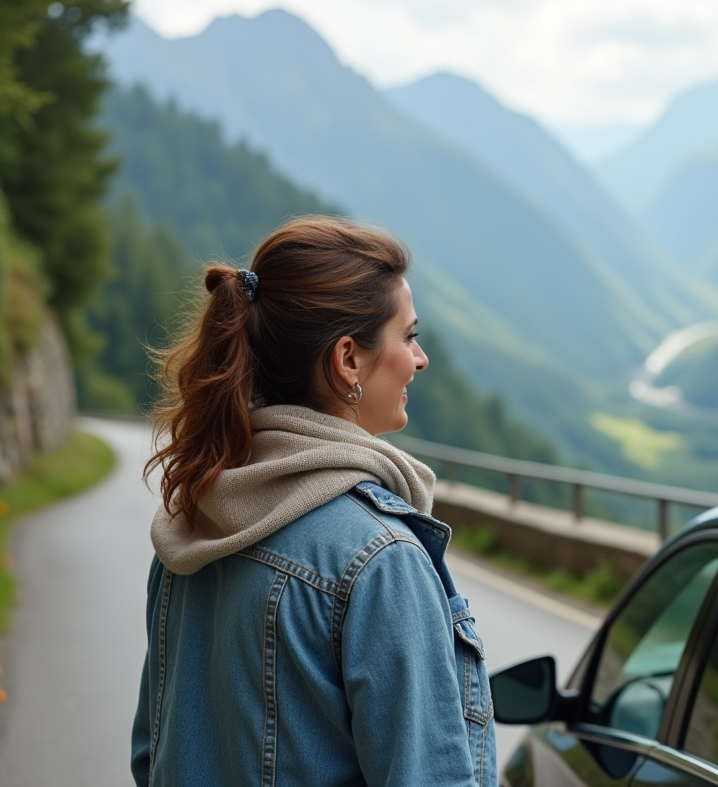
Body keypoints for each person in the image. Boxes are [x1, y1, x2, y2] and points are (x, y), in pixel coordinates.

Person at [130, 217, 496, 786]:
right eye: (409, 336)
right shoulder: (381, 559)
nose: (419, 359)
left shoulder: (191, 524)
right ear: (348, 359)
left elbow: (152, 753)